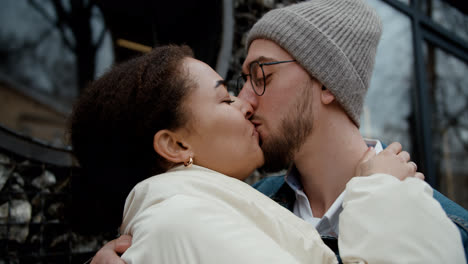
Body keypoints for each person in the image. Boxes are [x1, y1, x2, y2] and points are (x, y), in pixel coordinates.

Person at [91, 0, 468, 262]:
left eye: (261, 75)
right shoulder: (241, 207)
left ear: (326, 83)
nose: (247, 100)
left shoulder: (451, 230)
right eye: (243, 81)